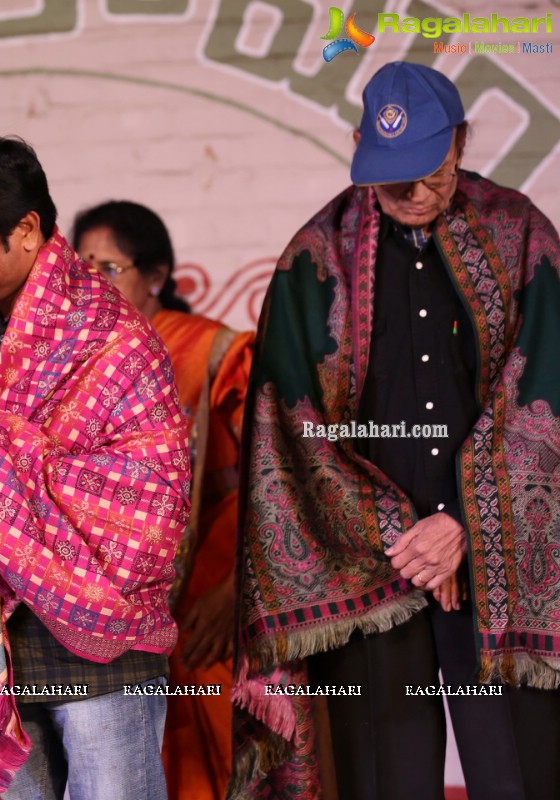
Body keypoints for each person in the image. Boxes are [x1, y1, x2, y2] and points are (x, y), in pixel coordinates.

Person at [233, 61, 560, 799]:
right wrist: (401, 536)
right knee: (384, 777)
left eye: (429, 172)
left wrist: (461, 525)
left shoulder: (521, 236)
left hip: (501, 568)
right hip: (369, 569)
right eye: (390, 176)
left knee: (521, 774)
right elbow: (286, 430)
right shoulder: (317, 258)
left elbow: (546, 390)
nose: (411, 193)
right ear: (357, 145)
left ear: (462, 143)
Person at [0, 132, 191, 800]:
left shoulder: (111, 336)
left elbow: (153, 502)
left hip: (103, 652)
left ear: (26, 230)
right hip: (0, 644)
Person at [73, 200, 252, 800]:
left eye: (107, 268)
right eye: (81, 270)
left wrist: (236, 591)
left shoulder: (215, 352)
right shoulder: (72, 368)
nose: (92, 285)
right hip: (115, 613)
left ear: (154, 275)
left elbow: (274, 478)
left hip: (209, 596)